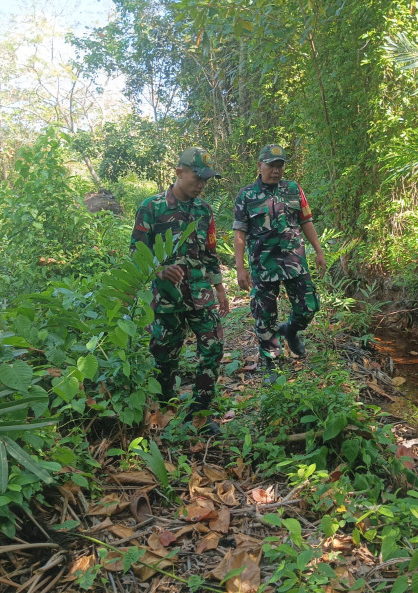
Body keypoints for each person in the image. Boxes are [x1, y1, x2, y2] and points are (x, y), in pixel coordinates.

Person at [130, 147, 230, 434]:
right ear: (179, 173)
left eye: (205, 180)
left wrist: (220, 288)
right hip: (166, 298)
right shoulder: (152, 207)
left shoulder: (203, 210)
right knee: (165, 356)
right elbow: (136, 250)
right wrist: (158, 270)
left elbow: (210, 252)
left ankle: (200, 413)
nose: (200, 185)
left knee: (213, 347)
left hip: (200, 294)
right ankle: (167, 407)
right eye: (196, 178)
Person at [232, 144, 326, 380]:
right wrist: (240, 268)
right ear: (259, 166)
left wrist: (318, 250)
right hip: (263, 266)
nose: (276, 170)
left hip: (294, 261)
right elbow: (240, 234)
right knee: (265, 316)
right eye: (271, 165)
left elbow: (306, 221)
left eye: (280, 165)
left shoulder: (294, 189)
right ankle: (271, 361)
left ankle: (290, 330)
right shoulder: (246, 196)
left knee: (309, 307)